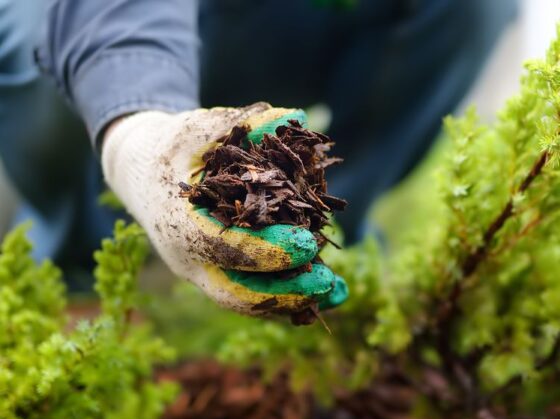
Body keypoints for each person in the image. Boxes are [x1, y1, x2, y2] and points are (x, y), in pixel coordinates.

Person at [0, 0, 518, 316]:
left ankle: (313, 247)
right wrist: (134, 135)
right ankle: (78, 256)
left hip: (270, 26)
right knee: (41, 17)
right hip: (114, 22)